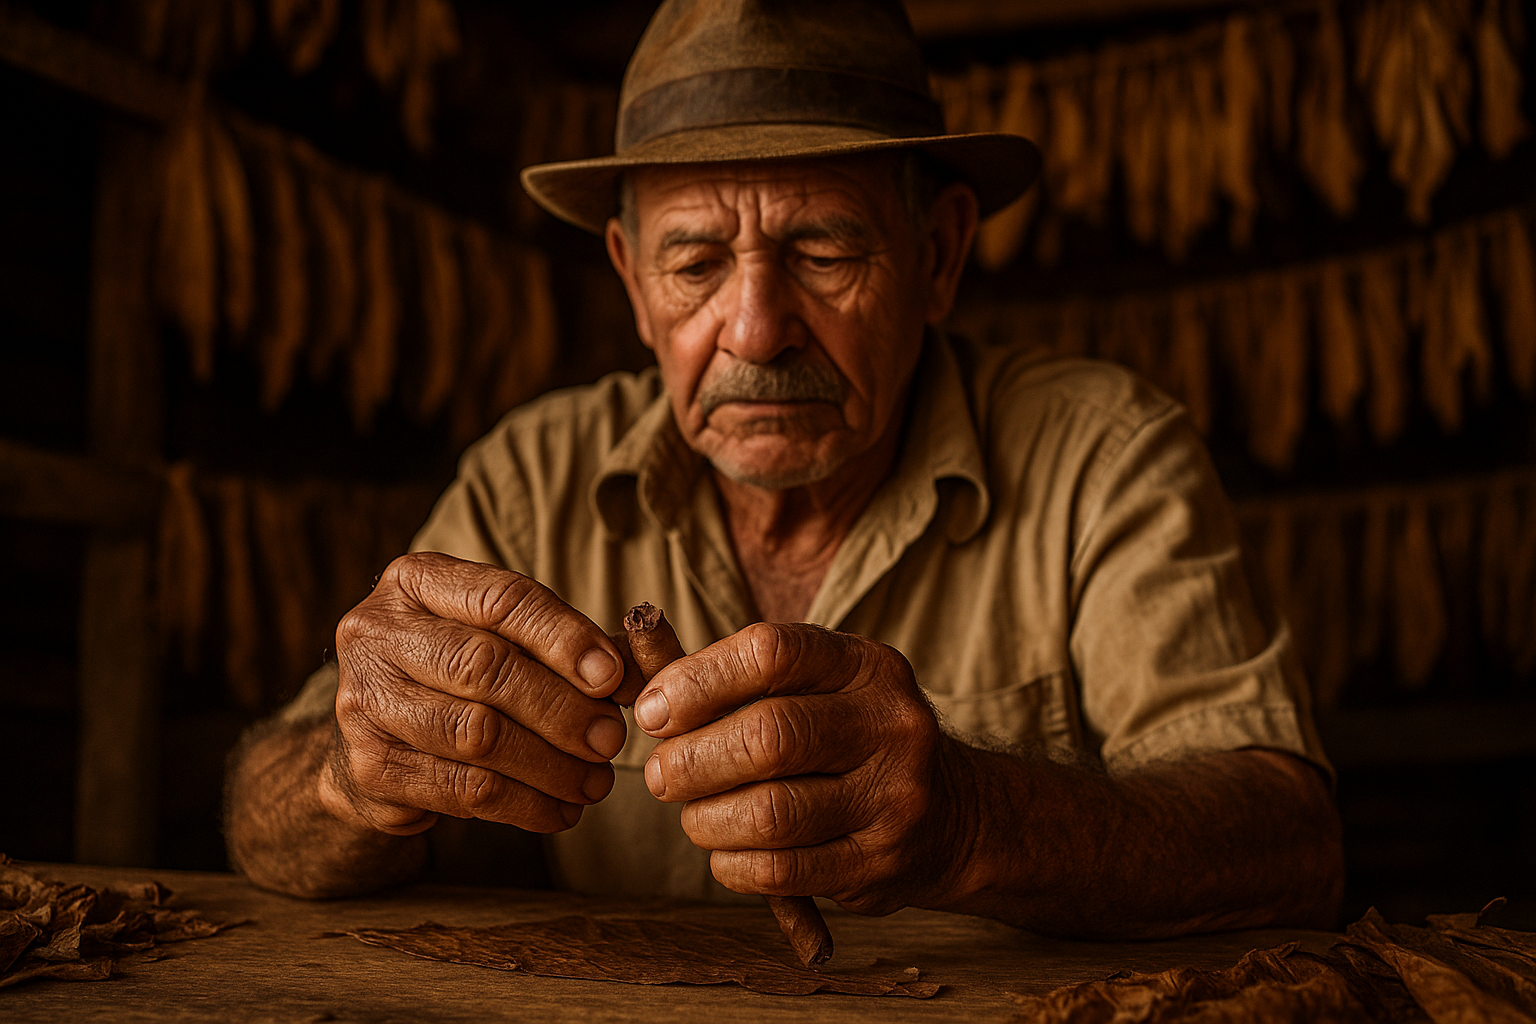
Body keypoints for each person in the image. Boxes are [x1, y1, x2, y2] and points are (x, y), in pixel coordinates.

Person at [225, 0, 1343, 939]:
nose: (756, 330)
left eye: (822, 250)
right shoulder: (534, 475)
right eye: (696, 263)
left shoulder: (1101, 455)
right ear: (629, 279)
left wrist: (974, 817)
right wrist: (348, 771)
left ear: (939, 257)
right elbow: (259, 815)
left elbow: (1292, 840)